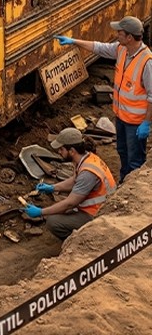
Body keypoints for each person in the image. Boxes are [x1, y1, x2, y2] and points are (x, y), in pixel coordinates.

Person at [55, 15, 152, 180]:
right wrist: (74, 41)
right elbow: (99, 48)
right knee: (122, 151)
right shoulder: (122, 49)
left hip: (135, 122)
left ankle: (129, 190)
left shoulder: (147, 62)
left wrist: (146, 122)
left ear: (129, 37)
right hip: (121, 116)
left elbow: (151, 96)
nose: (117, 35)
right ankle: (123, 181)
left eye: (120, 33)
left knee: (134, 160)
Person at [23, 127, 116, 239]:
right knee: (61, 205)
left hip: (99, 214)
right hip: (101, 207)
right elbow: (74, 181)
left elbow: (69, 203)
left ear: (72, 151)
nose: (59, 152)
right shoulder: (87, 158)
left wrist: (41, 212)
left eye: (61, 149)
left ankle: (80, 242)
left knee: (53, 221)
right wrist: (53, 188)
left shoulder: (87, 173)